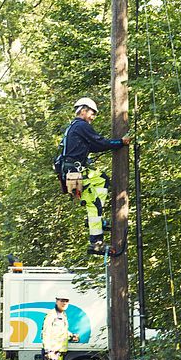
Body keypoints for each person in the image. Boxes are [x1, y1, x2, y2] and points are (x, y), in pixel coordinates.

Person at [58, 97, 131, 254]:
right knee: (94, 204)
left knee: (102, 180)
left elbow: (94, 146)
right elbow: (100, 142)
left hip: (75, 171)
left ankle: (95, 221)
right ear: (83, 111)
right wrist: (120, 142)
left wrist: (114, 144)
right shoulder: (81, 126)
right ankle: (96, 243)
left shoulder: (75, 127)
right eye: (92, 113)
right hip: (75, 174)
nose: (93, 117)